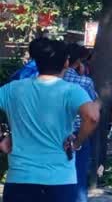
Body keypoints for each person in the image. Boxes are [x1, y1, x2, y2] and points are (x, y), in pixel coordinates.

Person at [0, 38, 100, 202]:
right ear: (66, 63)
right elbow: (92, 117)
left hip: (20, 177)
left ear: (36, 61)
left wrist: (2, 138)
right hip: (59, 179)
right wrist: (77, 142)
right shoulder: (72, 90)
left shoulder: (13, 88)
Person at [63, 44, 98, 202]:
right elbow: (92, 115)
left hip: (51, 134)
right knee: (78, 176)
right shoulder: (84, 82)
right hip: (78, 135)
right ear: (78, 62)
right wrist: (77, 143)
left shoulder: (40, 82)